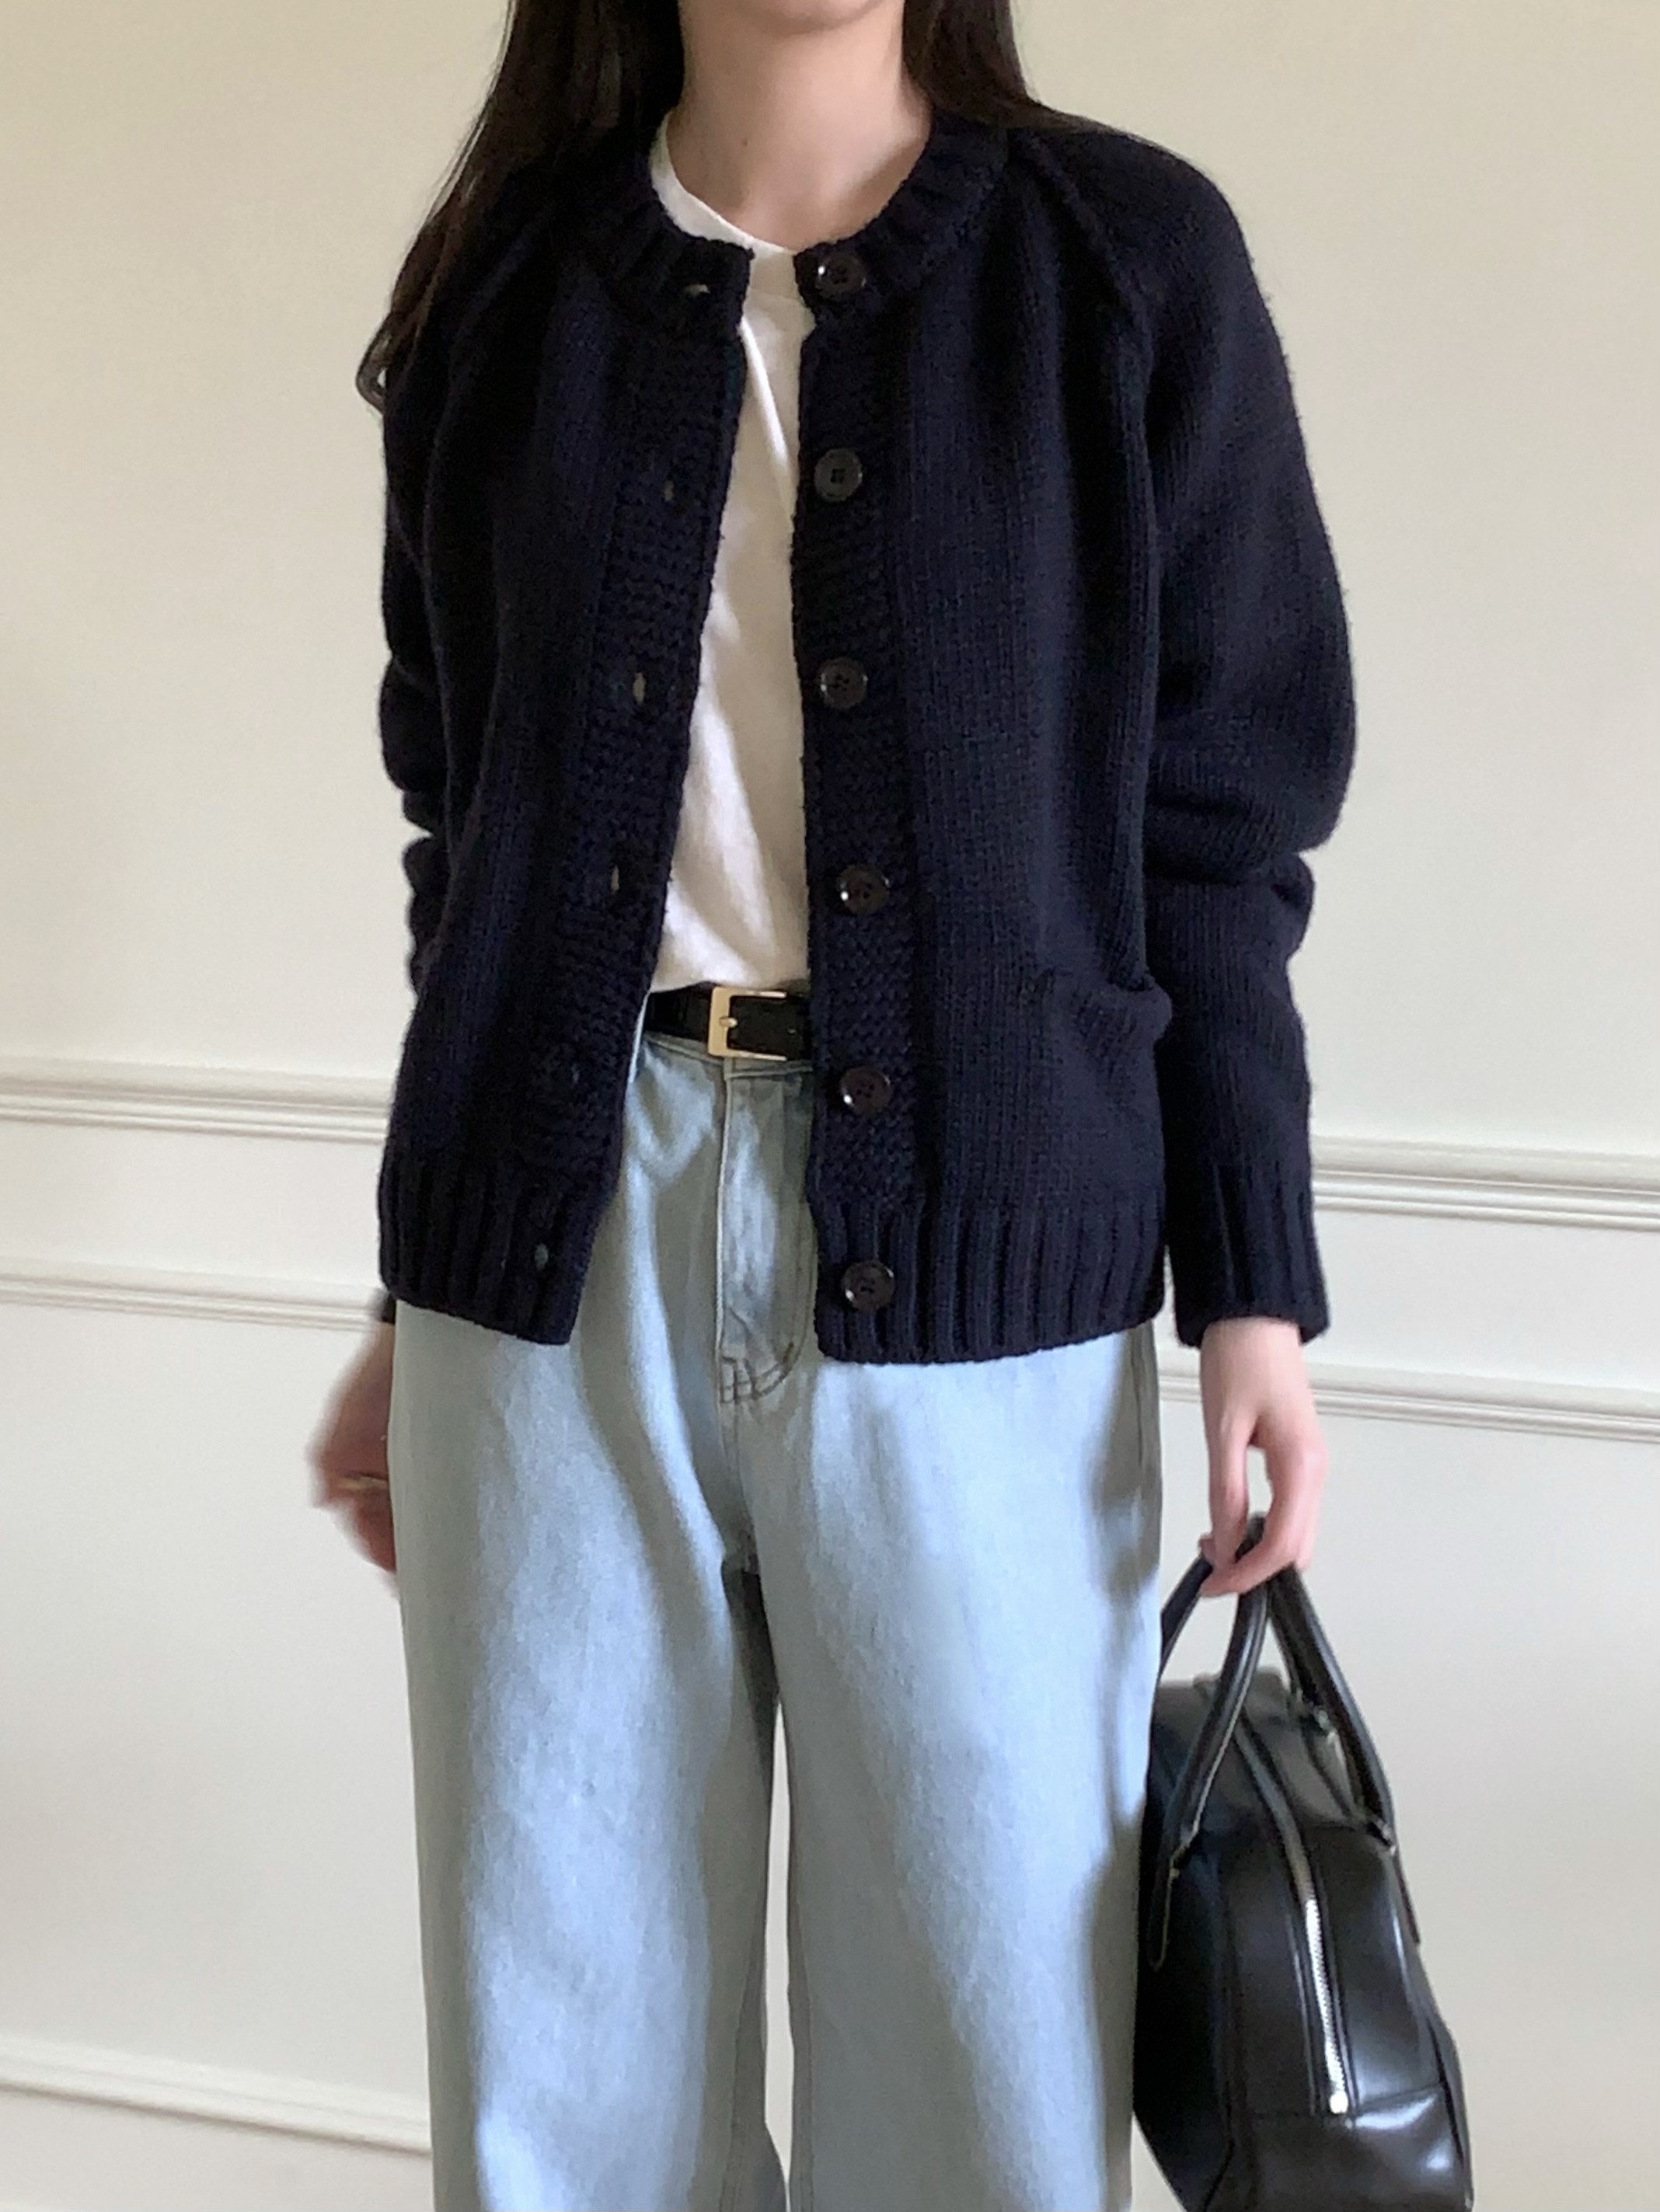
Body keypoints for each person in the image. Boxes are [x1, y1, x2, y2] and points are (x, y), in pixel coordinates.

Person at [307, 0, 1355, 2204]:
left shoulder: (1122, 260)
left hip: (981, 1252)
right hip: (549, 1260)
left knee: (985, 2073)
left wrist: (1252, 1287)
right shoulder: (511, 278)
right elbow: (463, 819)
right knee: (563, 2081)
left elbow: (1220, 825)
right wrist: (421, 1298)